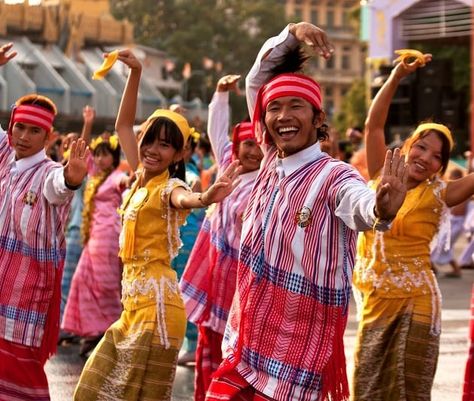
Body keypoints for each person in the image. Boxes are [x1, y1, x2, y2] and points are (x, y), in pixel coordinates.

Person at [205, 22, 408, 401]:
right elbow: (257, 82)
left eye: (296, 106)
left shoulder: (334, 175)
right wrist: (292, 34)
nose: (283, 115)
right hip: (244, 345)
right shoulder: (268, 161)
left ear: (318, 119)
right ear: (263, 122)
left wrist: (380, 206)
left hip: (297, 359)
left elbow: (359, 204)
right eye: (275, 108)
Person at [73, 49, 241, 401]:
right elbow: (122, 125)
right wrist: (134, 73)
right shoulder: (138, 179)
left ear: (179, 154)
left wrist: (205, 197)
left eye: (165, 145)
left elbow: (185, 199)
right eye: (149, 140)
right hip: (133, 308)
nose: (152, 149)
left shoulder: (170, 187)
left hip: (159, 310)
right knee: (92, 389)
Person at [352, 51, 474, 400]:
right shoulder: (380, 175)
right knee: (366, 386)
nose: (427, 157)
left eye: (437, 156)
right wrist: (395, 78)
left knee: (408, 390)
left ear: (440, 167)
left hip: (417, 300)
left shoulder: (441, 193)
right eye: (422, 147)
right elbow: (374, 125)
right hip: (374, 300)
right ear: (407, 147)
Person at [0, 43, 89, 401]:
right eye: (18, 128)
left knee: (19, 377)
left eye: (33, 132)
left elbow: (60, 187)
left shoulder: (49, 174)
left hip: (26, 291)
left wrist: (73, 177)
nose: (23, 137)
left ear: (48, 137)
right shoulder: (5, 156)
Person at [180, 74, 263, 400]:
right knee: (209, 345)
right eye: (247, 144)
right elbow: (216, 131)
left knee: (237, 354)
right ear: (236, 147)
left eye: (259, 144)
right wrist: (220, 94)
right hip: (214, 277)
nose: (253, 152)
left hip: (243, 286)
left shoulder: (268, 181)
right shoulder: (228, 167)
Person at [62, 131, 127, 356]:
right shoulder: (95, 176)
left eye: (105, 155)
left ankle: (105, 332)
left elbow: (126, 183)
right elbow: (81, 158)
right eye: (97, 155)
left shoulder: (117, 176)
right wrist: (88, 125)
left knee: (105, 287)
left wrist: (131, 179)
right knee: (83, 281)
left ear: (115, 157)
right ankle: (93, 332)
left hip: (108, 238)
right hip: (93, 238)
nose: (99, 159)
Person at [59, 105, 96, 345]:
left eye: (78, 144)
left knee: (69, 280)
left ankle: (67, 326)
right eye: (68, 144)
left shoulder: (81, 171)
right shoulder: (57, 171)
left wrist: (88, 124)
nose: (74, 147)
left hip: (76, 231)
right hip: (64, 231)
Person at [430, 167, 466, 278]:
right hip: (452, 221)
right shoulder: (453, 190)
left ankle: (434, 268)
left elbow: (459, 211)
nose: (450, 180)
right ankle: (433, 268)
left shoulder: (463, 191)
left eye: (453, 178)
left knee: (442, 246)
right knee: (442, 247)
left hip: (456, 222)